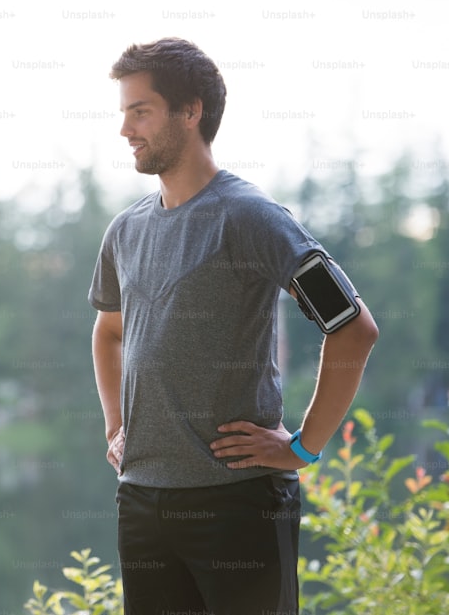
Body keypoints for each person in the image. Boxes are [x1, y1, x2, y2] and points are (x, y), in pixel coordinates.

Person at [89, 38, 379, 614]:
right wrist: (116, 425)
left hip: (239, 503)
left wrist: (304, 448)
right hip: (142, 501)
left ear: (190, 111)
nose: (125, 129)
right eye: (123, 113)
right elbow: (109, 332)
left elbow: (353, 327)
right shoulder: (125, 231)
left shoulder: (251, 217)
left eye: (139, 110)